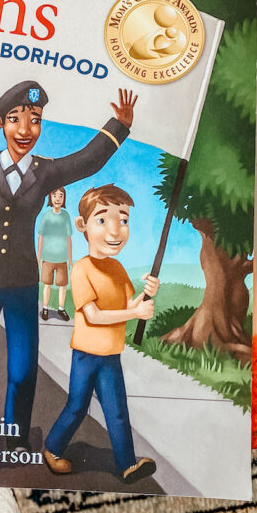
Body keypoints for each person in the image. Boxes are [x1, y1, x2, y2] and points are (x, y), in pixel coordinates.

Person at [0, 81, 136, 457]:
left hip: (22, 282)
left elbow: (86, 161)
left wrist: (119, 126)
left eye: (34, 121)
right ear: (1, 123)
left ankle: (15, 436)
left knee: (21, 365)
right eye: (15, 120)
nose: (24, 130)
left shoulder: (45, 172)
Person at [43, 183, 158, 484]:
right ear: (82, 225)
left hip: (111, 354)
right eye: (102, 219)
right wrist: (134, 313)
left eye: (123, 220)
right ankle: (53, 448)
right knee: (78, 406)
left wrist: (146, 296)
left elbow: (129, 304)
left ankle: (127, 465)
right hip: (87, 354)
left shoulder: (118, 269)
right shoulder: (82, 270)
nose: (115, 230)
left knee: (117, 411)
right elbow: (93, 316)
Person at [37, 187, 72, 321]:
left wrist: (70, 258)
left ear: (64, 198)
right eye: (55, 195)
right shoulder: (46, 216)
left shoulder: (66, 216)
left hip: (62, 258)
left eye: (61, 195)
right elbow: (41, 236)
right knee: (47, 284)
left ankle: (61, 309)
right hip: (48, 257)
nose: (57, 198)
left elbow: (69, 237)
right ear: (50, 198)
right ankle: (45, 308)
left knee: (62, 285)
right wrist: (39, 256)